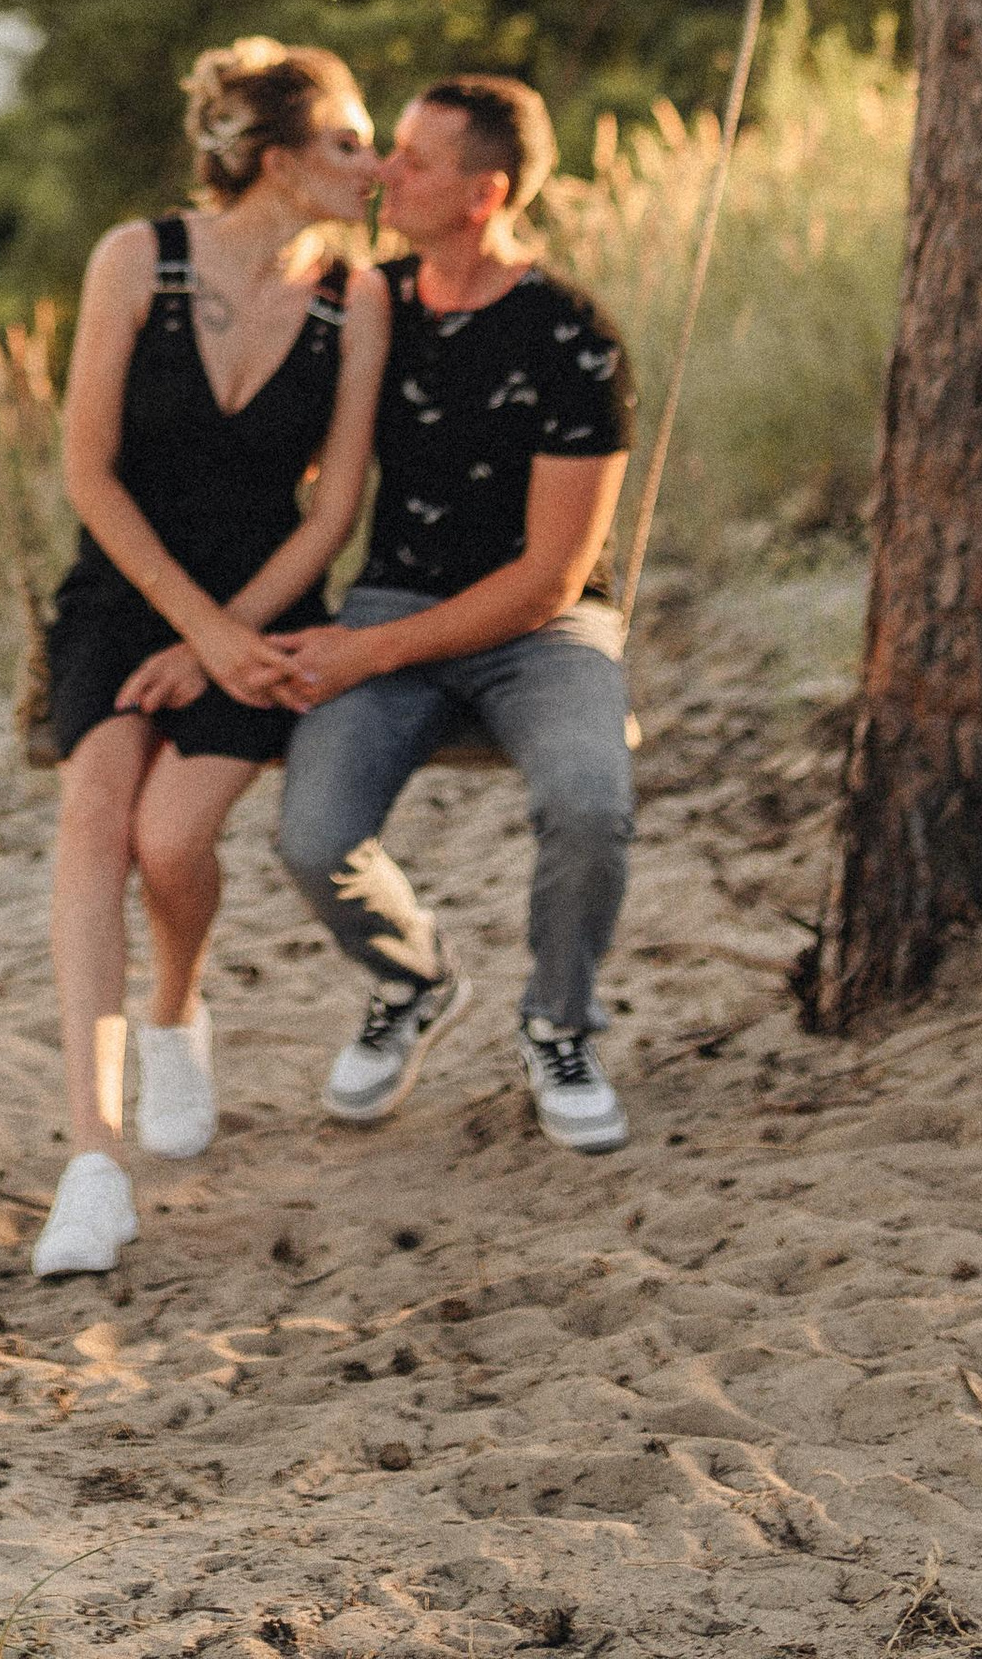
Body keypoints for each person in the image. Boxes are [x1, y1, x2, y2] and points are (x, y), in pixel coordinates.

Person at [31, 38, 386, 1280]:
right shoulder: (139, 260)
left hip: (268, 600)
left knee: (173, 842)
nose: (375, 163)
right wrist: (193, 630)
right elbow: (87, 472)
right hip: (129, 589)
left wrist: (233, 639)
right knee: (96, 812)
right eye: (351, 142)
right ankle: (92, 1160)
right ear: (280, 160)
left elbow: (333, 509)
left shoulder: (358, 295)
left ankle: (175, 1011)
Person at [275, 74, 637, 1156]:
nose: (387, 173)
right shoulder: (368, 306)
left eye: (416, 161)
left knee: (588, 798)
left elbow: (547, 581)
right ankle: (413, 977)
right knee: (312, 836)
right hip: (397, 593)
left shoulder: (574, 339)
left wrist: (366, 652)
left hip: (542, 623)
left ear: (483, 195)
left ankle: (558, 1024)